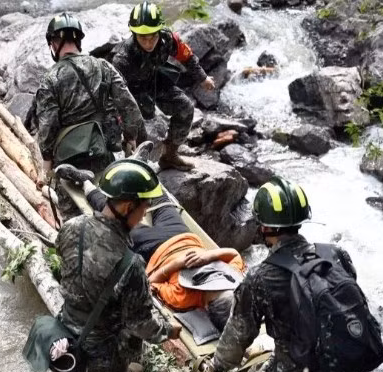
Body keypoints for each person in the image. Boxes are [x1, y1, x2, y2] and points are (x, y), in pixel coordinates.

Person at [207, 176, 364, 372]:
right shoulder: (337, 255)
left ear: (265, 226)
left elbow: (237, 336)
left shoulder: (261, 278)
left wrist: (216, 368)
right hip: (340, 363)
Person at [56, 158, 180, 372]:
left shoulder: (73, 226)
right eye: (143, 208)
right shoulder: (130, 264)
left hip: (69, 323)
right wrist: (168, 331)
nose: (146, 213)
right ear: (126, 208)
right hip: (104, 347)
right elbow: (140, 324)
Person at [56, 161, 244, 330]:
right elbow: (235, 255)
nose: (217, 286)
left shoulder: (184, 298)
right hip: (184, 237)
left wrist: (176, 264)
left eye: (216, 293)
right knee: (164, 206)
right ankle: (141, 169)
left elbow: (151, 283)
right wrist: (208, 256)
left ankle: (85, 183)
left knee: (117, 215)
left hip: (154, 249)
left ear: (207, 306)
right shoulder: (233, 279)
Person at [35, 13, 146, 180]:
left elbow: (47, 126)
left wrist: (46, 163)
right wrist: (131, 137)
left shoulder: (50, 79)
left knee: (70, 201)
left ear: (54, 44)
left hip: (70, 157)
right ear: (78, 41)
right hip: (104, 148)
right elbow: (129, 105)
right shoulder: (103, 66)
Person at [112, 1, 215, 172]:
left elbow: (187, 57)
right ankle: (132, 169)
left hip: (156, 79)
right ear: (134, 34)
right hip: (130, 91)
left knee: (185, 107)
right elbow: (116, 95)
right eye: (142, 37)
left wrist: (203, 78)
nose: (148, 42)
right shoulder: (122, 58)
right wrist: (125, 125)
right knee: (137, 130)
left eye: (153, 36)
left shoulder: (168, 38)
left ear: (159, 31)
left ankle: (170, 155)